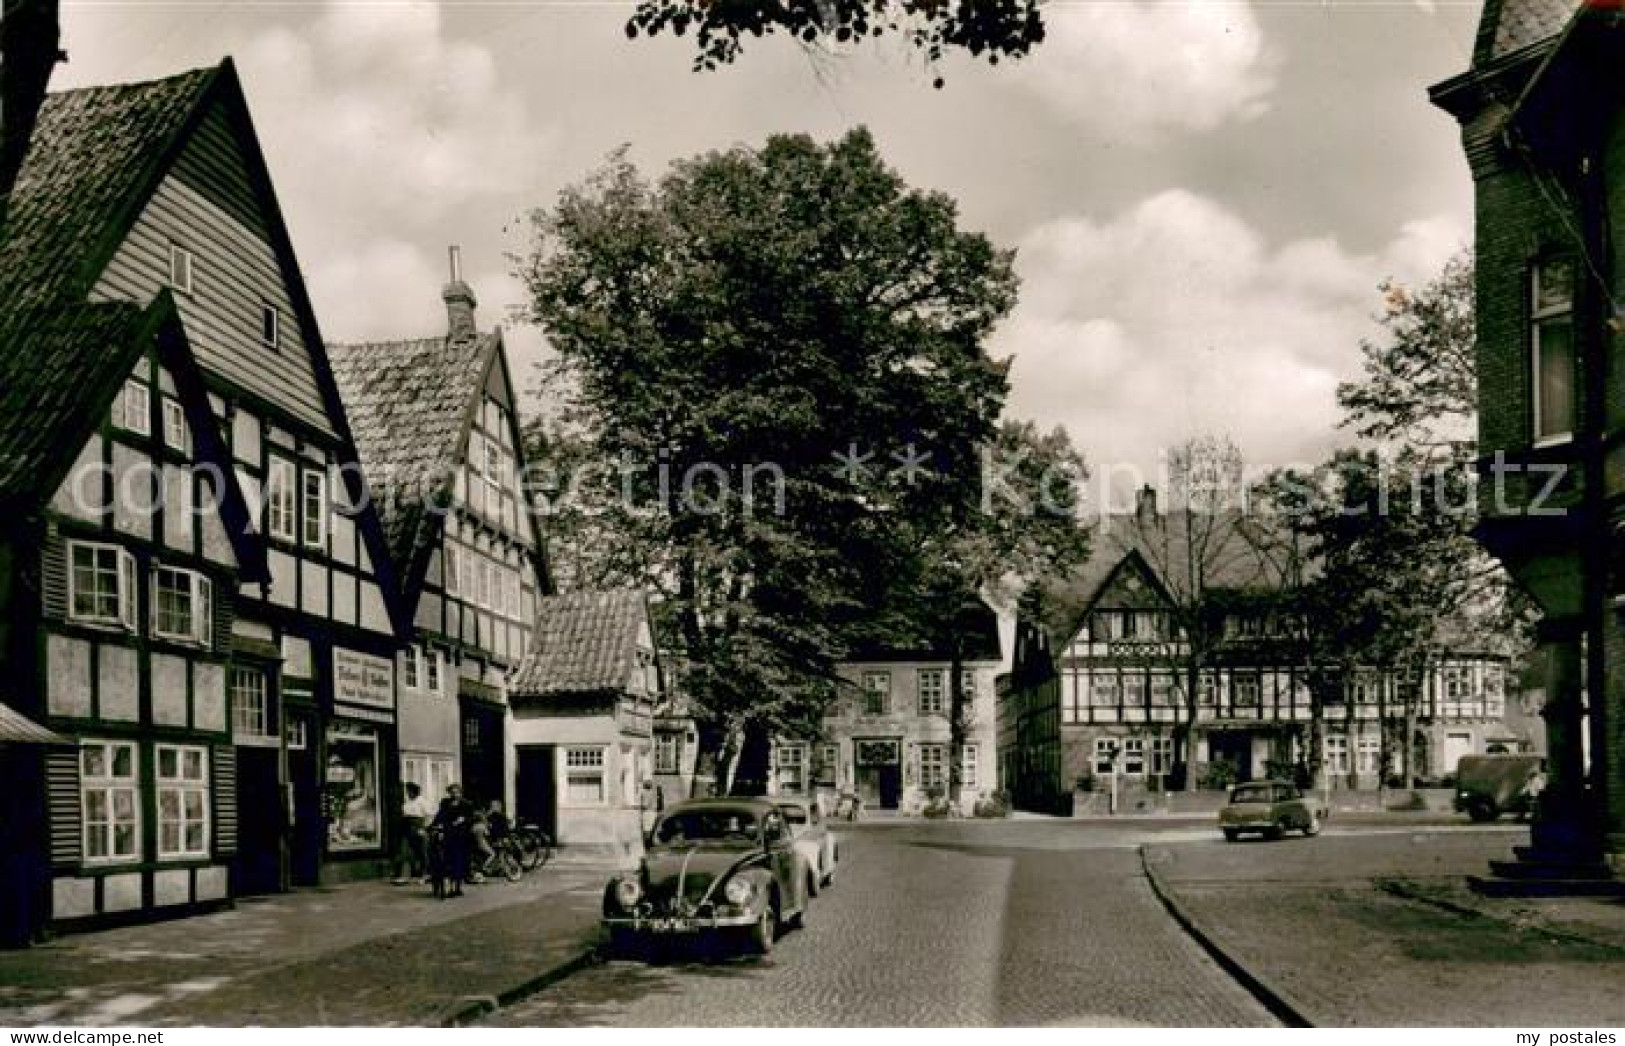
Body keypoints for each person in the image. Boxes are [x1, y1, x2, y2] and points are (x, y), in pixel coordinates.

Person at [432, 783, 474, 897]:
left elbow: (471, 818)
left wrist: (463, 820)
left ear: (461, 793)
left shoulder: (466, 804)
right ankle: (449, 887)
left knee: (459, 861)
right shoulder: (445, 803)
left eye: (457, 792)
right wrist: (436, 825)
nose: (455, 795)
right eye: (452, 792)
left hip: (461, 836)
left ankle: (457, 887)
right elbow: (440, 815)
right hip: (448, 834)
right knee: (447, 861)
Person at [391, 782, 432, 885]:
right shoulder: (407, 804)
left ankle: (425, 874)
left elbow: (428, 816)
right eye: (407, 792)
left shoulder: (423, 802)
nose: (408, 794)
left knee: (423, 852)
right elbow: (405, 817)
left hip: (419, 828)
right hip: (407, 828)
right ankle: (405, 876)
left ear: (415, 792)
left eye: (409, 791)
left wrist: (424, 829)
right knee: (405, 852)